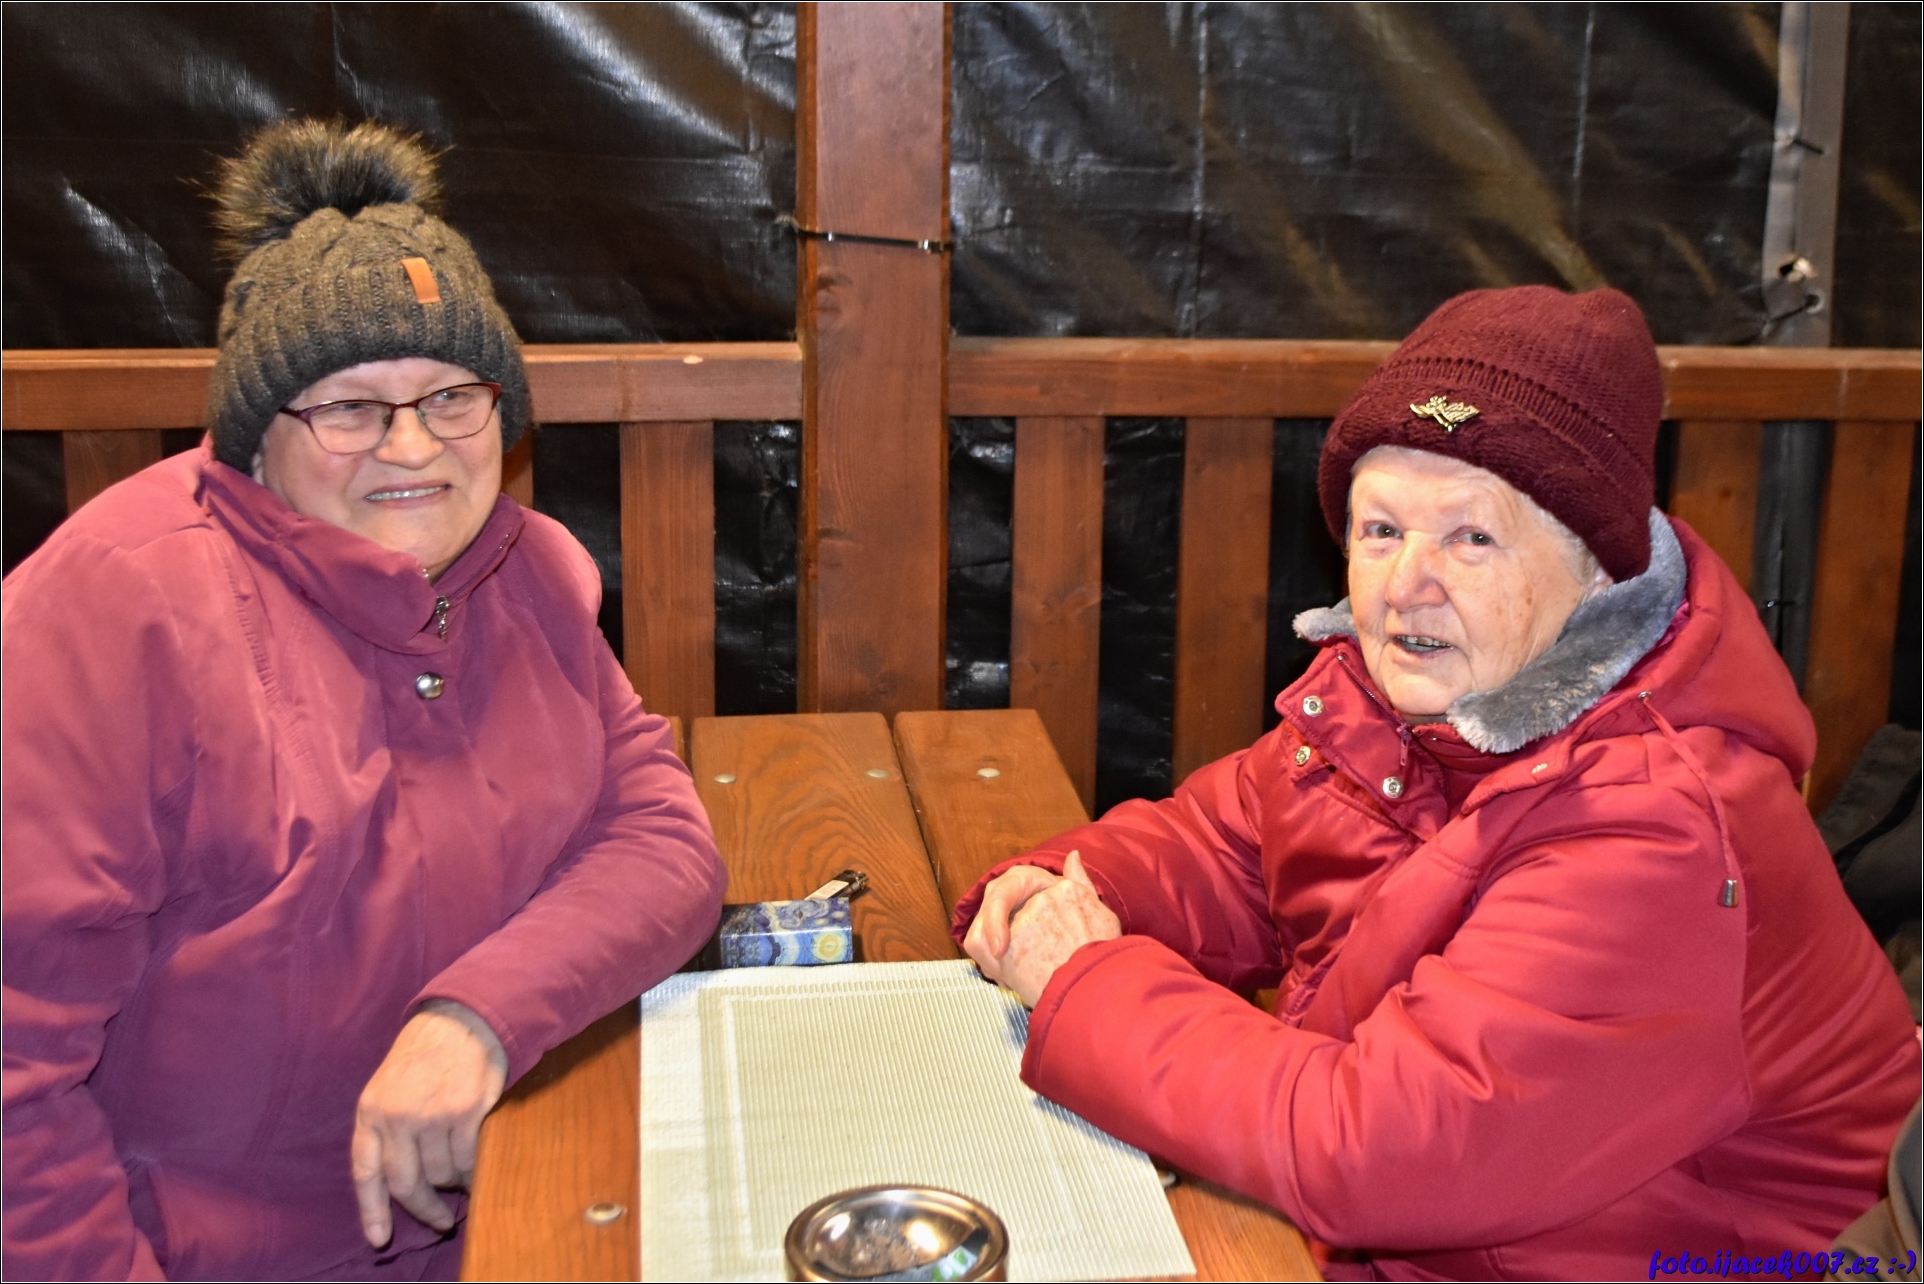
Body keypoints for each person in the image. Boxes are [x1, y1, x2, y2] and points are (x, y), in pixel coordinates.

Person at [958, 287, 1920, 1280]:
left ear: (1598, 569)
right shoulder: (1402, 701)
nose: (1404, 586)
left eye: (1472, 538)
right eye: (1381, 530)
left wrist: (1083, 983)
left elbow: (1380, 1150)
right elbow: (1225, 847)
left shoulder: (1656, 826)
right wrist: (1061, 892)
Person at [2, 120, 726, 1281]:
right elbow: (13, 1074)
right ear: (256, 437)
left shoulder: (520, 572)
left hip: (516, 1201)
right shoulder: (115, 613)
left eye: (452, 397)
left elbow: (660, 837)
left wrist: (475, 1017)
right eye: (348, 408)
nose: (413, 447)